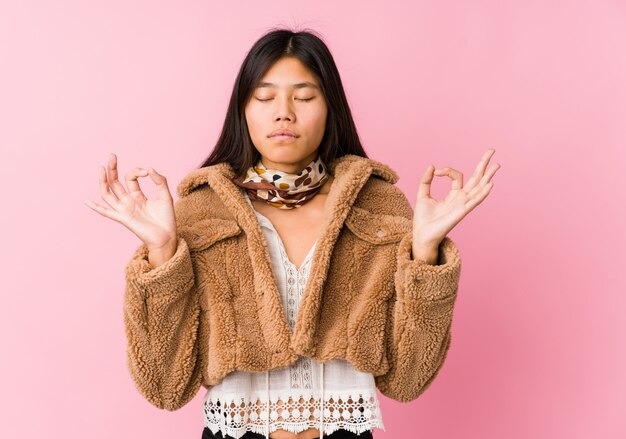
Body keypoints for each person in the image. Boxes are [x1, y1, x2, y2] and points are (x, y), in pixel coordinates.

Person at [84, 28, 500, 439]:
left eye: (304, 97)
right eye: (265, 97)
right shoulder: (199, 213)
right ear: (243, 110)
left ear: (330, 107)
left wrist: (425, 254)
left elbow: (408, 380)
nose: (284, 111)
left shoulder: (378, 209)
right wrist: (161, 253)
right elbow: (164, 386)